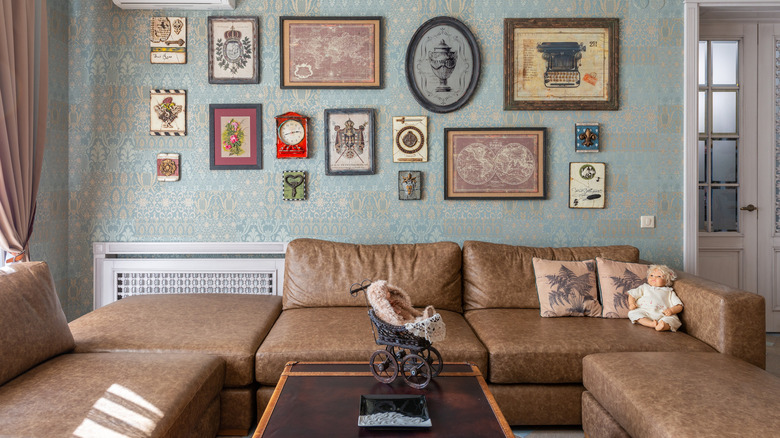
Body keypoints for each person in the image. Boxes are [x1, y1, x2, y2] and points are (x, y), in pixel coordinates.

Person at [627, 265, 683, 332]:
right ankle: (650, 324)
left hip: (662, 314)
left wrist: (672, 310)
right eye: (651, 275)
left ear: (666, 281)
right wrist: (631, 303)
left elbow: (679, 305)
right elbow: (632, 294)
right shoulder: (644, 287)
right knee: (633, 313)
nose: (654, 278)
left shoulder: (669, 292)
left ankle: (662, 326)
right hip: (644, 311)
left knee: (673, 320)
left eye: (659, 276)